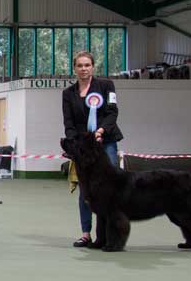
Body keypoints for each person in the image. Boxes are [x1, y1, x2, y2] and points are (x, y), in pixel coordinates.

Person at [62, 51, 123, 248]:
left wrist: (101, 130)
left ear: (93, 67)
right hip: (83, 149)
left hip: (106, 142)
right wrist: (75, 144)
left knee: (110, 188)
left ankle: (110, 234)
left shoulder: (106, 86)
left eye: (87, 65)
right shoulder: (68, 94)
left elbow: (113, 112)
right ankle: (86, 233)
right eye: (79, 65)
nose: (83, 69)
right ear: (74, 68)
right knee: (85, 190)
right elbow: (69, 123)